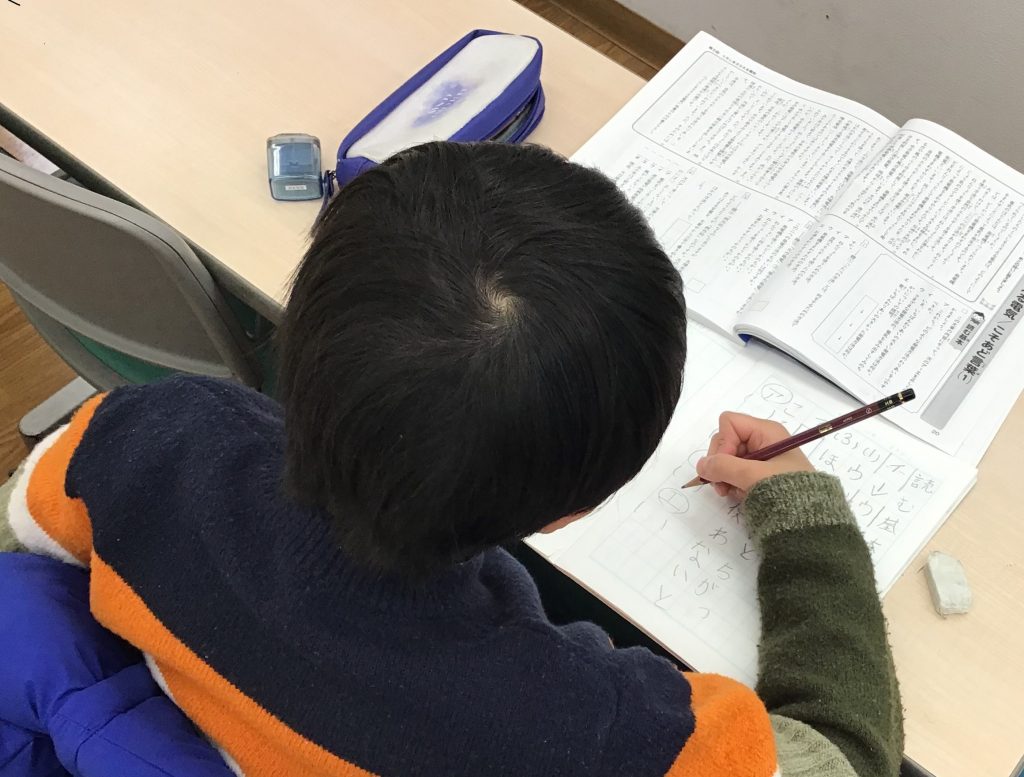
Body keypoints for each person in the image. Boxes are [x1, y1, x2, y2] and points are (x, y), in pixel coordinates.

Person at [0, 141, 901, 776]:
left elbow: (26, 537)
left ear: (296, 333)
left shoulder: (143, 432)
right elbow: (842, 754)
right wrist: (808, 527)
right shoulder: (595, 733)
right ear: (572, 510)